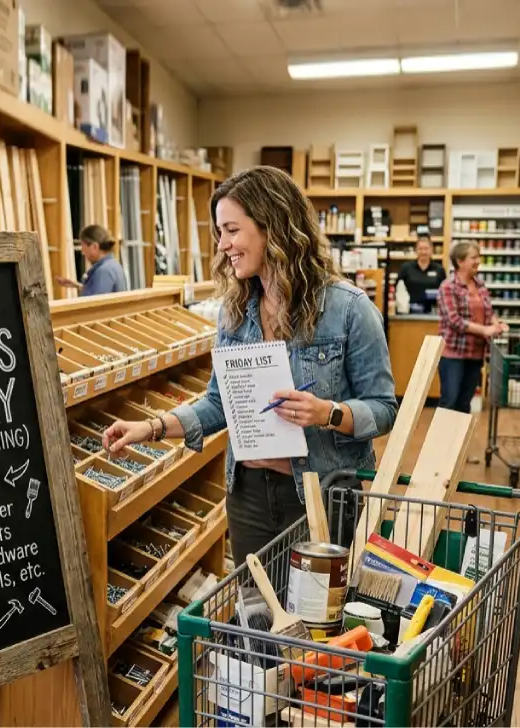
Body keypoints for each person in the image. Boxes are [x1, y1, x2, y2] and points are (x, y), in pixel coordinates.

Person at [101, 166, 398, 561]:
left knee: (316, 617)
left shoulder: (348, 309)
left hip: (320, 495)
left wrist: (328, 413)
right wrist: (149, 428)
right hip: (249, 495)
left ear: (272, 227)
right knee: (254, 613)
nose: (223, 245)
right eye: (220, 233)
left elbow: (383, 408)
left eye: (232, 230)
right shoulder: (236, 312)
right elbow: (218, 403)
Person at [436, 242, 508, 415]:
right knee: (450, 400)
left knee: (464, 403)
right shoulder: (448, 287)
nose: (478, 261)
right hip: (453, 353)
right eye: (473, 257)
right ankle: (441, 442)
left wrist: (496, 324)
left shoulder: (480, 285)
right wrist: (485, 330)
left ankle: (459, 441)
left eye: (478, 257)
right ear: (460, 262)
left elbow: (488, 312)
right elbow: (455, 321)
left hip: (475, 353)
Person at [56, 224, 127, 296]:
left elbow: (94, 303)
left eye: (83, 246)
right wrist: (77, 285)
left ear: (94, 246)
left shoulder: (103, 271)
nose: (83, 252)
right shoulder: (113, 265)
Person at [396, 228, 445, 309]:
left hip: (433, 311)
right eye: (420, 249)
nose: (423, 252)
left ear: (431, 250)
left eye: (426, 249)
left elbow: (444, 293)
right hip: (408, 310)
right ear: (416, 250)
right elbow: (397, 289)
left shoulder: (439, 269)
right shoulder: (406, 267)